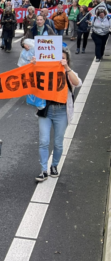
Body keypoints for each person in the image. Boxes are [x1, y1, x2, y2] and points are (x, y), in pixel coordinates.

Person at [33, 45, 82, 182]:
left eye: (63, 58)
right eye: (57, 58)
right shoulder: (45, 73)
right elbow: (31, 79)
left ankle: (54, 166)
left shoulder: (69, 73)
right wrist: (34, 64)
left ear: (67, 60)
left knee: (58, 143)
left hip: (62, 112)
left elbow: (78, 83)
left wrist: (66, 68)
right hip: (46, 111)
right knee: (43, 141)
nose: (60, 60)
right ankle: (43, 170)